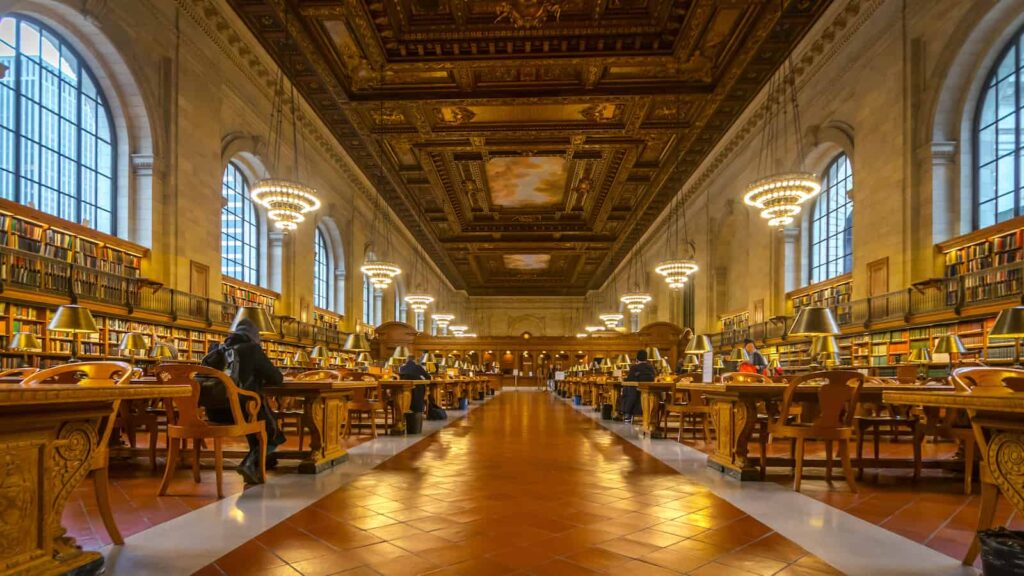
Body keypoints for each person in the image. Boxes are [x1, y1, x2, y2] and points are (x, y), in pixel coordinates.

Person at [202, 318, 284, 484]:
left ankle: (265, 460)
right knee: (269, 428)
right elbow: (277, 378)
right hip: (242, 411)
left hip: (214, 413)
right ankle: (250, 463)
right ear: (254, 336)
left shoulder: (217, 349)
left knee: (256, 417)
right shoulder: (252, 349)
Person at [621, 349, 656, 423]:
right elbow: (654, 378)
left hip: (635, 392)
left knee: (626, 389)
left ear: (637, 359)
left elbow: (629, 380)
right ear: (646, 359)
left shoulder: (634, 368)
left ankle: (627, 414)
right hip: (650, 393)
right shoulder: (651, 368)